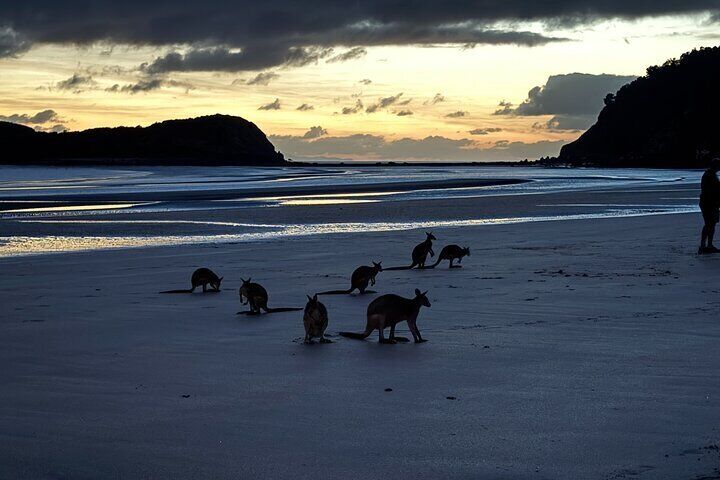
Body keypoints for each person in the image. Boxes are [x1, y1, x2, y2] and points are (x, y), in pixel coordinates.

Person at [699, 158, 720, 254]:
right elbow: (711, 191)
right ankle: (704, 245)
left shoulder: (710, 175)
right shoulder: (709, 176)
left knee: (711, 224)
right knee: (709, 224)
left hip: (710, 203)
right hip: (709, 203)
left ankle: (707, 245)